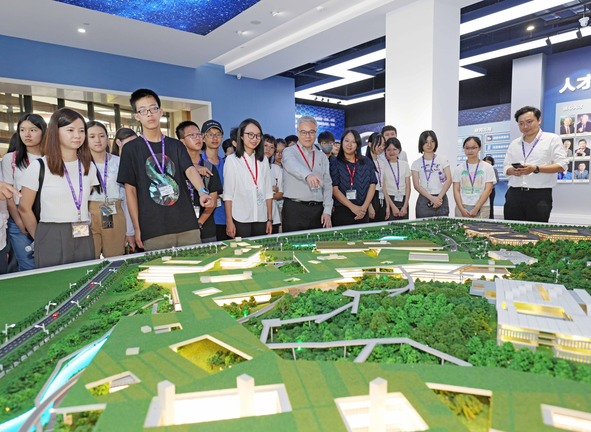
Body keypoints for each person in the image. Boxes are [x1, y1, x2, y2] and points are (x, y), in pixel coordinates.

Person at [117, 88, 213, 251]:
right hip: (153, 229)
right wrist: (137, 228)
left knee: (195, 264)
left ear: (161, 111)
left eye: (153, 108)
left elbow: (190, 170)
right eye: (143, 110)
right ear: (137, 116)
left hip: (186, 225)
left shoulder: (176, 145)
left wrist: (202, 191)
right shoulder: (131, 149)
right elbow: (130, 191)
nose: (149, 114)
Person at [19, 108, 98, 268]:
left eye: (81, 130)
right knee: (53, 281)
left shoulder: (89, 167)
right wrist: (39, 237)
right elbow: (24, 208)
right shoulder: (39, 166)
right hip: (51, 234)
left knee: (85, 278)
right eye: (70, 130)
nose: (77, 135)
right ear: (56, 132)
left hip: (83, 232)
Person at [503, 106, 568, 222]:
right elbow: (506, 166)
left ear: (539, 120)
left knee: (536, 229)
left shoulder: (552, 139)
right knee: (511, 229)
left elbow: (562, 165)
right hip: (514, 194)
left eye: (529, 122)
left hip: (539, 195)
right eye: (521, 123)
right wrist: (512, 171)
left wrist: (535, 168)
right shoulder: (514, 143)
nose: (525, 126)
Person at [1, 113, 46, 270]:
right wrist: (20, 222)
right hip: (18, 216)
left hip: (46, 216)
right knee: (28, 266)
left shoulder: (51, 158)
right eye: (22, 130)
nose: (27, 134)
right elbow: (9, 196)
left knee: (49, 263)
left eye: (33, 130)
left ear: (43, 131)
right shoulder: (11, 159)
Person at [87, 121, 134, 258]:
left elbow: (127, 198)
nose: (97, 140)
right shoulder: (80, 164)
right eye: (92, 136)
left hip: (114, 211)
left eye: (102, 136)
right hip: (88, 214)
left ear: (108, 139)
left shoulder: (119, 162)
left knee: (115, 258)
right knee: (89, 259)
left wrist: (130, 231)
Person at [281, 116, 332, 232]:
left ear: (316, 133)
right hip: (294, 209)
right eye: (304, 132)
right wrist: (308, 175)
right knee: (293, 243)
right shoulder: (289, 152)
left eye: (311, 132)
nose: (308, 136)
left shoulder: (322, 156)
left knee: (317, 243)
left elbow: (328, 185)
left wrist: (327, 211)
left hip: (317, 211)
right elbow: (292, 165)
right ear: (298, 132)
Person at [224, 119, 273, 238]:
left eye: (258, 135)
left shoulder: (263, 160)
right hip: (240, 218)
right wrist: (229, 221)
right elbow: (228, 194)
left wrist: (269, 219)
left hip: (261, 217)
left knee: (260, 248)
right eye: (250, 135)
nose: (254, 139)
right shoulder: (232, 160)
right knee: (243, 249)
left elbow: (268, 192)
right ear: (241, 136)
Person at [176, 120, 222, 243]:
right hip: (181, 229)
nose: (197, 138)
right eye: (192, 135)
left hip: (206, 229)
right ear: (182, 141)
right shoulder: (175, 168)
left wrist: (199, 223)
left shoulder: (210, 168)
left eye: (199, 134)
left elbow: (212, 202)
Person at [330, 129, 376, 226]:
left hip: (362, 211)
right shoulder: (335, 163)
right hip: (342, 211)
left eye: (353, 142)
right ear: (342, 142)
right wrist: (353, 207)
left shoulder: (366, 162)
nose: (349, 145)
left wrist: (364, 208)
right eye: (346, 141)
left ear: (358, 144)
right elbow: (334, 189)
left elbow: (372, 185)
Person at [453, 137, 496, 219]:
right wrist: (461, 209)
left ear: (479, 148)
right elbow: (456, 190)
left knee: (480, 227)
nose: (470, 151)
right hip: (462, 207)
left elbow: (488, 189)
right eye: (467, 148)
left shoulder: (488, 167)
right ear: (463, 149)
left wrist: (477, 208)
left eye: (473, 148)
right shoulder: (458, 169)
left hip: (482, 207)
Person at [411, 130, 452, 218]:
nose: (429, 145)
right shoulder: (416, 163)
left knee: (443, 226)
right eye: (426, 142)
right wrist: (432, 198)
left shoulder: (443, 160)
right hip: (424, 200)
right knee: (423, 225)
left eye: (432, 141)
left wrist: (438, 198)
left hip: (441, 199)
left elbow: (449, 180)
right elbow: (416, 185)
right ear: (421, 144)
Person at [201, 119, 229, 241]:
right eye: (210, 134)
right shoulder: (198, 163)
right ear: (203, 138)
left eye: (218, 134)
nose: (214, 138)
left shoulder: (227, 163)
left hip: (226, 217)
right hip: (206, 219)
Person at [382, 138, 411, 220]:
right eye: (388, 150)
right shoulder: (382, 165)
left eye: (394, 149)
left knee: (404, 226)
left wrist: (405, 205)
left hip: (403, 200)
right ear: (385, 151)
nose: (392, 152)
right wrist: (392, 206)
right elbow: (384, 187)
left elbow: (408, 187)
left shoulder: (405, 165)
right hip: (389, 200)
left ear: (399, 150)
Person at [365, 134, 387, 222]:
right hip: (370, 197)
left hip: (381, 197)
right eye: (378, 144)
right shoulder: (364, 162)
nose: (381, 147)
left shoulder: (381, 162)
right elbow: (364, 186)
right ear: (370, 144)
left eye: (383, 145)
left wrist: (388, 206)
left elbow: (384, 185)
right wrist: (369, 205)